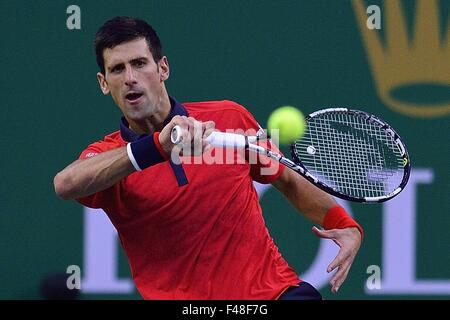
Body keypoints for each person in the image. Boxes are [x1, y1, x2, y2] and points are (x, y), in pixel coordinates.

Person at [53, 16, 363, 300]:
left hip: (273, 294)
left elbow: (286, 177)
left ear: (163, 68)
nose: (130, 78)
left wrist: (342, 223)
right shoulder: (109, 157)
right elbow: (66, 184)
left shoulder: (230, 117)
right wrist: (157, 147)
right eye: (117, 69)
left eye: (139, 63)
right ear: (104, 83)